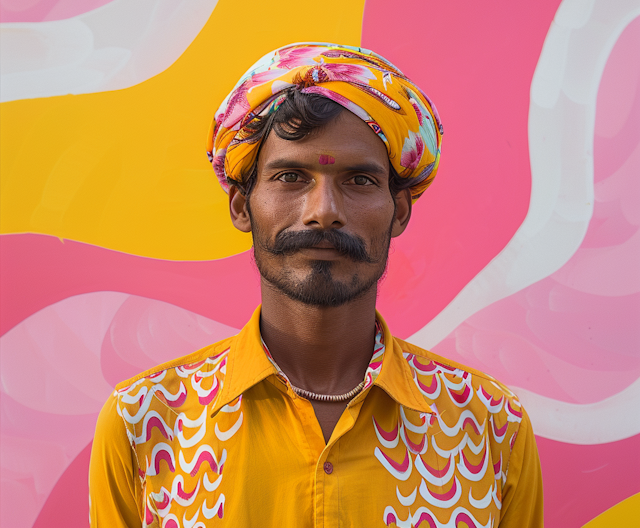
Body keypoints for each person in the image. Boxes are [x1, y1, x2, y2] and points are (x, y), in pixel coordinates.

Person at [89, 43, 543, 526]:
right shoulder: (146, 422)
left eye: (360, 181)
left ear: (401, 211)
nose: (323, 210)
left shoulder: (490, 426)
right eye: (290, 176)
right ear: (242, 207)